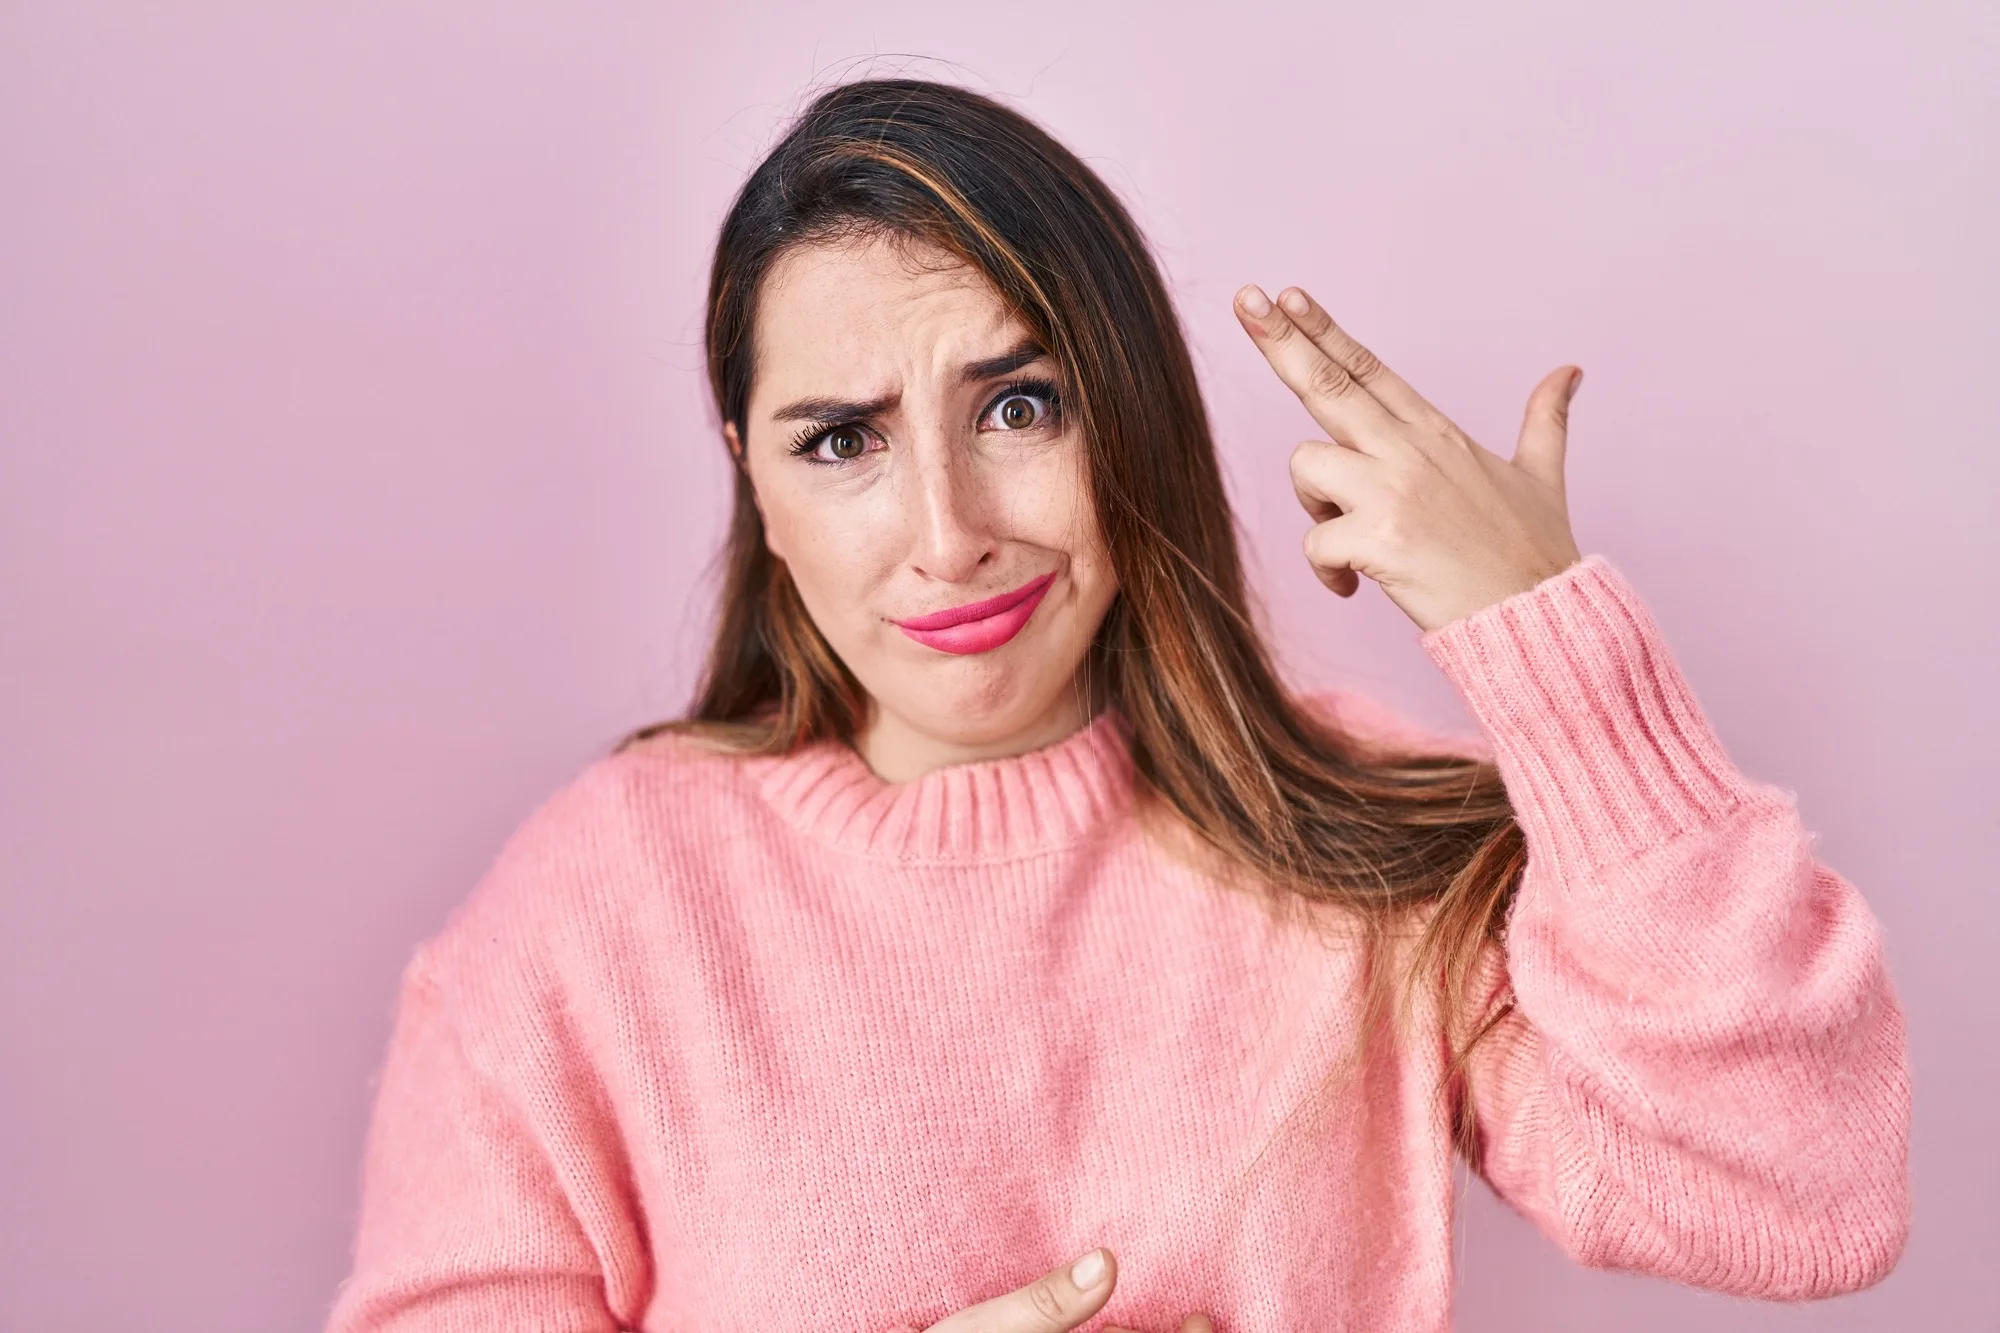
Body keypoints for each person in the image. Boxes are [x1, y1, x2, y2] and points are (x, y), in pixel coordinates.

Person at [323, 78, 1911, 1333]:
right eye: (840, 440)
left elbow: (1803, 1193)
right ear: (756, 479)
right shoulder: (589, 914)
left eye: (1020, 406)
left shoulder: (1369, 860)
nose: (949, 534)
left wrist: (1548, 645)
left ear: (1129, 417)